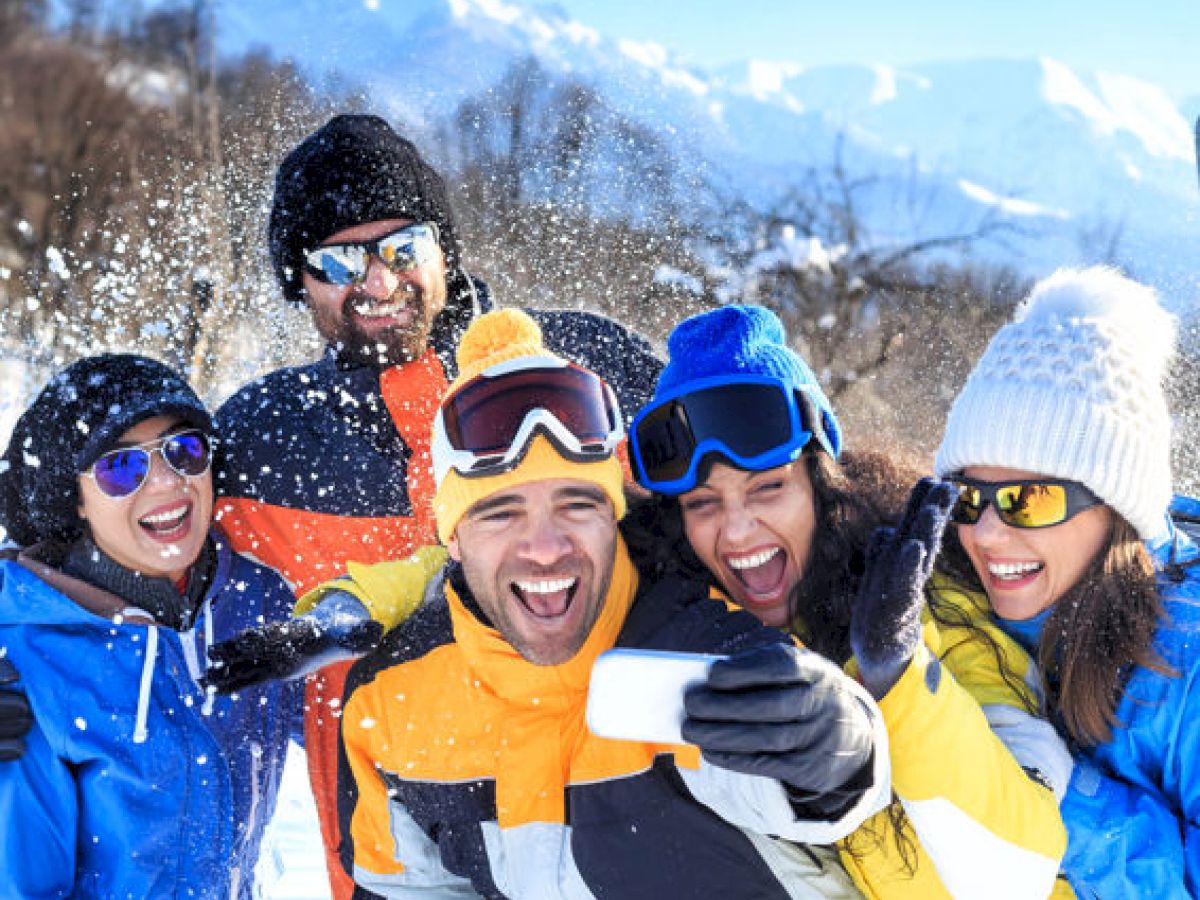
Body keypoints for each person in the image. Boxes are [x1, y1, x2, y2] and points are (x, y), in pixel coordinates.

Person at [210, 113, 664, 894]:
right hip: (391, 869)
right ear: (299, 281)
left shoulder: (584, 374)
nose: (379, 284)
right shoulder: (263, 447)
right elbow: (118, 571)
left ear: (443, 247)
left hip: (640, 846)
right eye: (336, 260)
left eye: (402, 247)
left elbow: (750, 513)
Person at [337, 307, 890, 897]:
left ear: (615, 518)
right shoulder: (391, 701)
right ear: (451, 536)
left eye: (578, 505)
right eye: (501, 513)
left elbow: (818, 782)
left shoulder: (693, 648)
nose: (546, 549)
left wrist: (835, 742)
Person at [618, 304, 1071, 897]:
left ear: (823, 485)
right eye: (704, 504)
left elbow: (1020, 867)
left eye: (768, 488)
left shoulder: (933, 609)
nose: (736, 532)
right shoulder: (687, 632)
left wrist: (904, 680)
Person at [932, 266, 1200, 897]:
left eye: (1029, 497)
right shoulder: (950, 599)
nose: (987, 533)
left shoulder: (1185, 661)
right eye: (969, 496)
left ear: (1117, 509)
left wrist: (1058, 800)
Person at [0, 354, 304, 898]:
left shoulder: (258, 600)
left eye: (183, 450)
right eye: (121, 468)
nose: (167, 481)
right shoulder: (26, 663)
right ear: (75, 501)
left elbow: (359, 714)